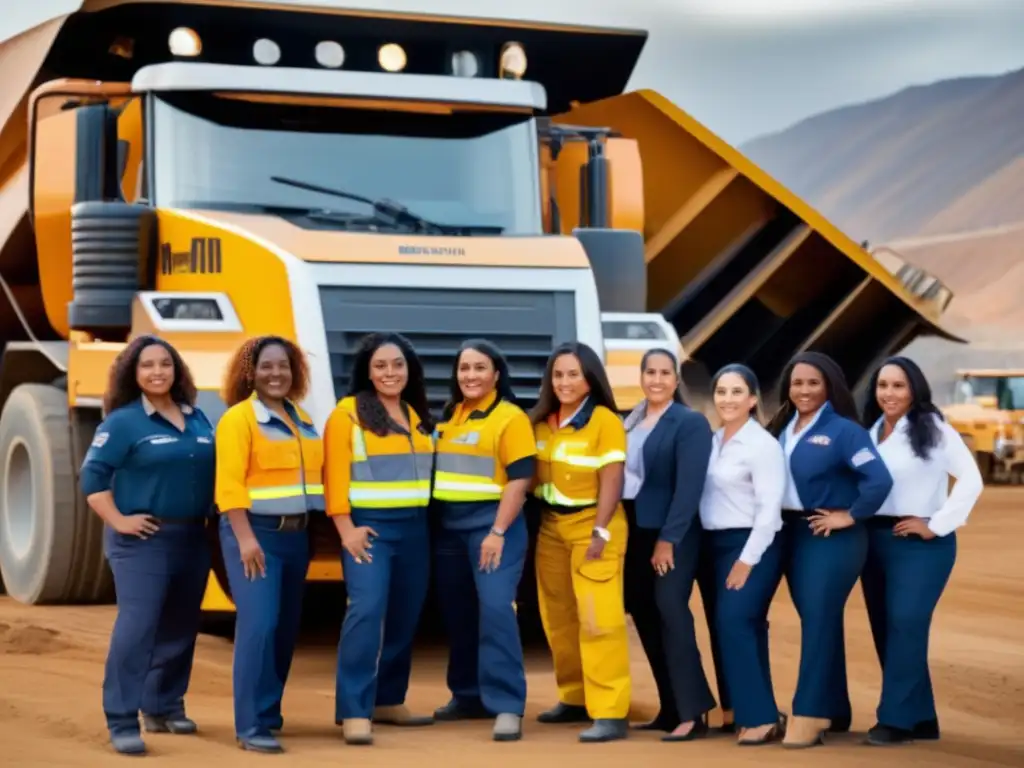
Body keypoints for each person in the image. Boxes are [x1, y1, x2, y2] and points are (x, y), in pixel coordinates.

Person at [80, 335, 216, 756]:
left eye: (165, 364)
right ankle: (122, 719)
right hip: (143, 541)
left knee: (180, 625)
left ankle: (163, 705)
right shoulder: (122, 422)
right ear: (133, 374)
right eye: (147, 365)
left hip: (193, 535)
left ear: (176, 371)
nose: (157, 372)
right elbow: (93, 478)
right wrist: (120, 520)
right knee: (137, 629)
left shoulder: (198, 418)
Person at [766, 351, 893, 749]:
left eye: (813, 383)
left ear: (829, 387)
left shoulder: (845, 432)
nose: (804, 390)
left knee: (818, 617)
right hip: (789, 531)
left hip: (830, 536)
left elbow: (878, 480)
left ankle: (811, 711)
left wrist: (849, 516)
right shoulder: (782, 427)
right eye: (797, 382)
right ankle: (836, 708)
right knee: (819, 618)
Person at [860, 356, 983, 746]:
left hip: (921, 545)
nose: (889, 393)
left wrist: (937, 524)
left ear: (914, 388)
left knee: (906, 622)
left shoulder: (934, 430)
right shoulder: (869, 432)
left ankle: (894, 719)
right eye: (883, 386)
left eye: (898, 385)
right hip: (873, 540)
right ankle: (922, 717)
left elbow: (972, 480)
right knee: (888, 628)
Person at [324, 332, 436, 745]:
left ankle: (388, 699)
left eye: (398, 365)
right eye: (381, 366)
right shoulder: (347, 415)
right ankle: (354, 708)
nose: (390, 373)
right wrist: (345, 528)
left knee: (405, 615)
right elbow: (333, 477)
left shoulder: (417, 414)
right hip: (369, 529)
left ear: (410, 370)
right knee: (367, 612)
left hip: (415, 529)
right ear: (367, 372)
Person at [215, 335, 324, 754]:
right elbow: (229, 486)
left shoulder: (303, 419)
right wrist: (244, 539)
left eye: (283, 366)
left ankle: (269, 710)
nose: (276, 373)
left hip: (297, 537)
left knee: (283, 629)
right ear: (250, 372)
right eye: (266, 366)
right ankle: (250, 726)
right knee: (258, 626)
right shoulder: (239, 420)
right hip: (254, 536)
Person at [431, 339, 536, 742]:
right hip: (449, 530)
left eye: (479, 368)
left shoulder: (510, 418)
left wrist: (496, 532)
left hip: (492, 528)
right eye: (464, 368)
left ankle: (508, 704)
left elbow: (520, 479)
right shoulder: (452, 415)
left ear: (496, 374)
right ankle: (468, 695)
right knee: (459, 614)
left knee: (495, 610)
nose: (470, 376)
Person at [530, 342, 631, 743]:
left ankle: (610, 712)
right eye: (558, 374)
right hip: (552, 527)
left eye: (573, 374)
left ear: (590, 378)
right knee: (558, 616)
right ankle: (574, 697)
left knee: (598, 620)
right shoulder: (540, 422)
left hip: (595, 526)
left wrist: (601, 529)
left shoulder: (604, 420)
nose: (565, 382)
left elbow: (612, 476)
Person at [621, 348, 716, 742]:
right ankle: (670, 706)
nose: (656, 380)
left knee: (671, 611)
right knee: (643, 612)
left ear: (676, 381)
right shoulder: (632, 419)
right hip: (637, 530)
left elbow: (689, 488)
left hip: (673, 534)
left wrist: (668, 541)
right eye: (650, 372)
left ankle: (694, 711)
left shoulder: (689, 423)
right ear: (641, 377)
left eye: (665, 373)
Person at [698, 364, 787, 745]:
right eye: (721, 391)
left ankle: (760, 718)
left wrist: (746, 560)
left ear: (753, 399)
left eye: (737, 392)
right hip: (714, 545)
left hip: (753, 544)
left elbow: (769, 511)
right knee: (742, 626)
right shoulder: (714, 440)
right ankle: (758, 709)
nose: (727, 399)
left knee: (734, 621)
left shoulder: (762, 445)